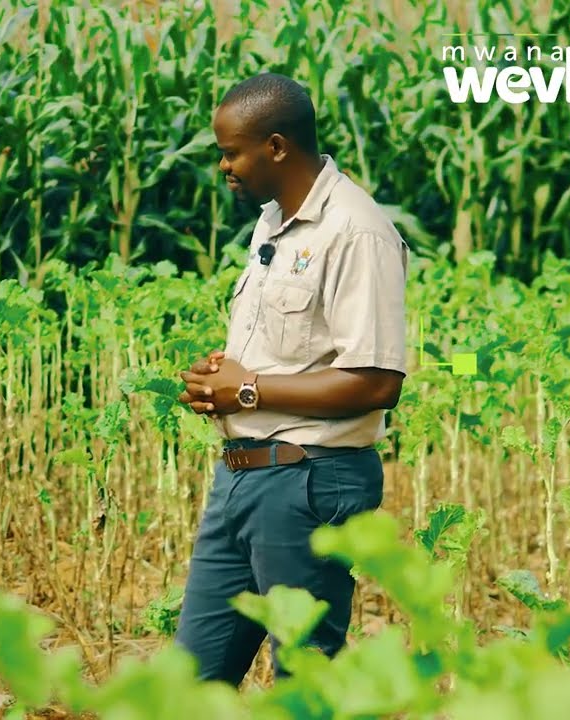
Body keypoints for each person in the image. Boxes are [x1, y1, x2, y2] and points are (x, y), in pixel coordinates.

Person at [173, 72, 409, 686]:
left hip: (310, 482)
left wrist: (246, 389)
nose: (224, 167)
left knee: (302, 685)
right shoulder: (273, 221)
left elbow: (377, 381)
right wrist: (220, 381)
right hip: (241, 479)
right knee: (190, 686)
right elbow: (285, 358)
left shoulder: (357, 231)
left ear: (275, 147)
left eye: (231, 152)